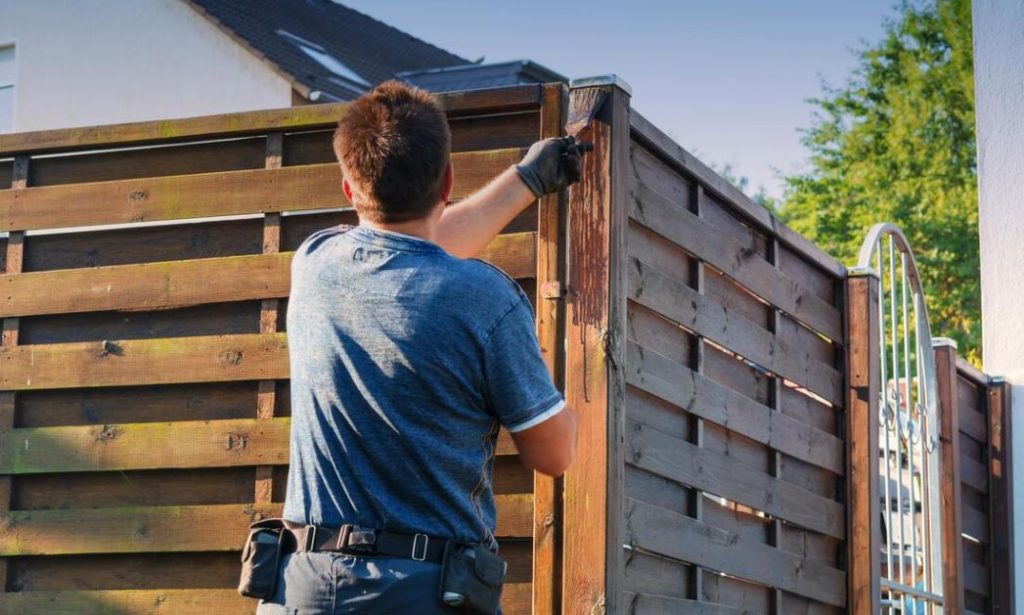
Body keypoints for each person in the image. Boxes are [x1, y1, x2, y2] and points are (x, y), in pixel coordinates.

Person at [255, 81, 582, 614]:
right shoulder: (486, 301)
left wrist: (525, 182)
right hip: (424, 593)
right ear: (447, 179)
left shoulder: (315, 263)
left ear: (347, 188)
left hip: (302, 589)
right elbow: (555, 454)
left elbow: (410, 254)